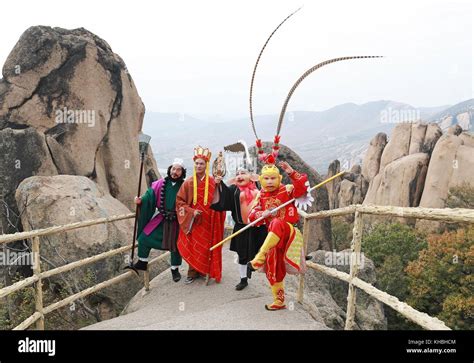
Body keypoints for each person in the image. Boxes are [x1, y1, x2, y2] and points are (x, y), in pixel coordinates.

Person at [247, 159, 312, 310]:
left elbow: (301, 190)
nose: (270, 181)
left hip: (289, 233)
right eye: (266, 178)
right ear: (261, 180)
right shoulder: (261, 197)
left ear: (279, 178)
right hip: (274, 238)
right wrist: (261, 213)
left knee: (276, 222)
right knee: (273, 267)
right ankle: (279, 300)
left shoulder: (287, 190)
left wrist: (291, 172)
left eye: (273, 178)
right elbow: (251, 216)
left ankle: (259, 257)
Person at [176, 146, 226, 284]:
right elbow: (179, 202)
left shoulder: (212, 181)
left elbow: (220, 201)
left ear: (206, 165)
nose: (198, 166)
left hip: (209, 220)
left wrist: (219, 185)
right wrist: (191, 212)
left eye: (201, 163)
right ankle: (192, 272)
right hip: (194, 220)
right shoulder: (188, 183)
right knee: (193, 246)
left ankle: (204, 270)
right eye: (196, 163)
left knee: (206, 246)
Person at [211, 167, 267, 290]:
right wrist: (218, 184)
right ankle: (243, 279)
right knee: (242, 254)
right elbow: (222, 199)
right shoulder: (233, 189)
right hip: (241, 227)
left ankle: (269, 271)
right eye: (237, 174)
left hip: (259, 226)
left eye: (243, 173)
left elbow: (273, 191)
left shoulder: (259, 185)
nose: (239, 175)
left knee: (265, 249)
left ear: (252, 176)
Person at [132, 158, 186, 282]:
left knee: (176, 245)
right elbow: (149, 195)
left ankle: (175, 269)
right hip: (161, 218)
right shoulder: (159, 184)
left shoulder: (185, 186)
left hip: (176, 221)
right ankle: (142, 261)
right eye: (173, 169)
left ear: (182, 172)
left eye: (178, 170)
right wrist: (141, 200)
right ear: (169, 169)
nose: (175, 172)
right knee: (144, 237)